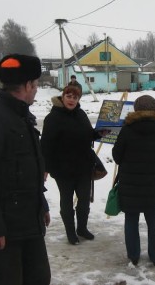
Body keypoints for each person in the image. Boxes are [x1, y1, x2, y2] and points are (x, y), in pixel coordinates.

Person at [0, 54, 51, 285]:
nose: (36, 90)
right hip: (4, 230)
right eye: (35, 85)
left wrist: (41, 205)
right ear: (27, 85)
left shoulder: (22, 116)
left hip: (29, 222)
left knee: (40, 279)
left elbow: (27, 170)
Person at [41, 85, 106, 245]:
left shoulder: (81, 114)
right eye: (69, 96)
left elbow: (88, 133)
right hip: (63, 169)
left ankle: (82, 228)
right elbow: (46, 145)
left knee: (84, 200)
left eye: (75, 97)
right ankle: (71, 232)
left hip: (83, 166)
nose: (71, 100)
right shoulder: (53, 118)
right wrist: (45, 168)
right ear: (63, 97)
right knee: (67, 201)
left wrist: (98, 134)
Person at [112, 95, 155, 266]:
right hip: (153, 183)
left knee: (131, 218)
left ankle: (134, 256)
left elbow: (117, 156)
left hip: (129, 184)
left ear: (136, 109)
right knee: (153, 217)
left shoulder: (127, 129)